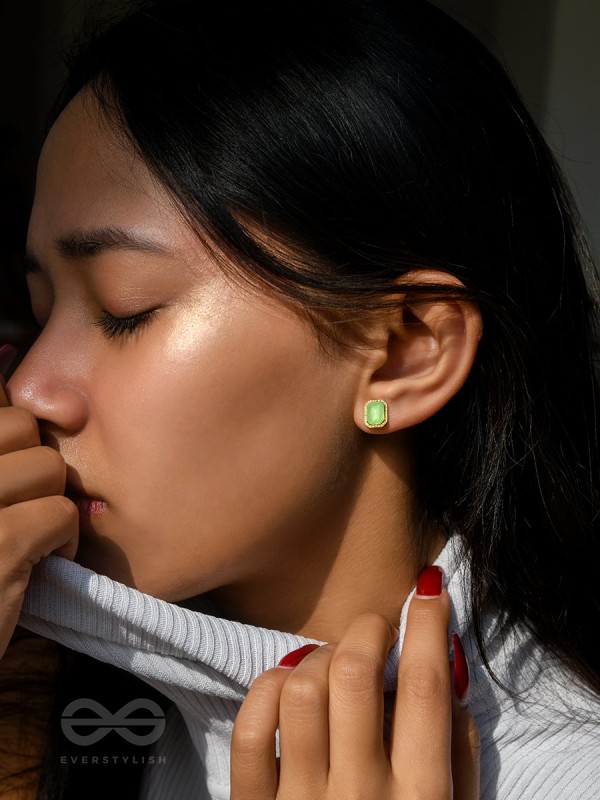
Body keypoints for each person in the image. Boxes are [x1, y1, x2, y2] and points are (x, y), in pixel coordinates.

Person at [0, 0, 598, 796]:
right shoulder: (77, 699)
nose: (31, 389)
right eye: (39, 316)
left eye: (124, 308)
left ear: (405, 352)